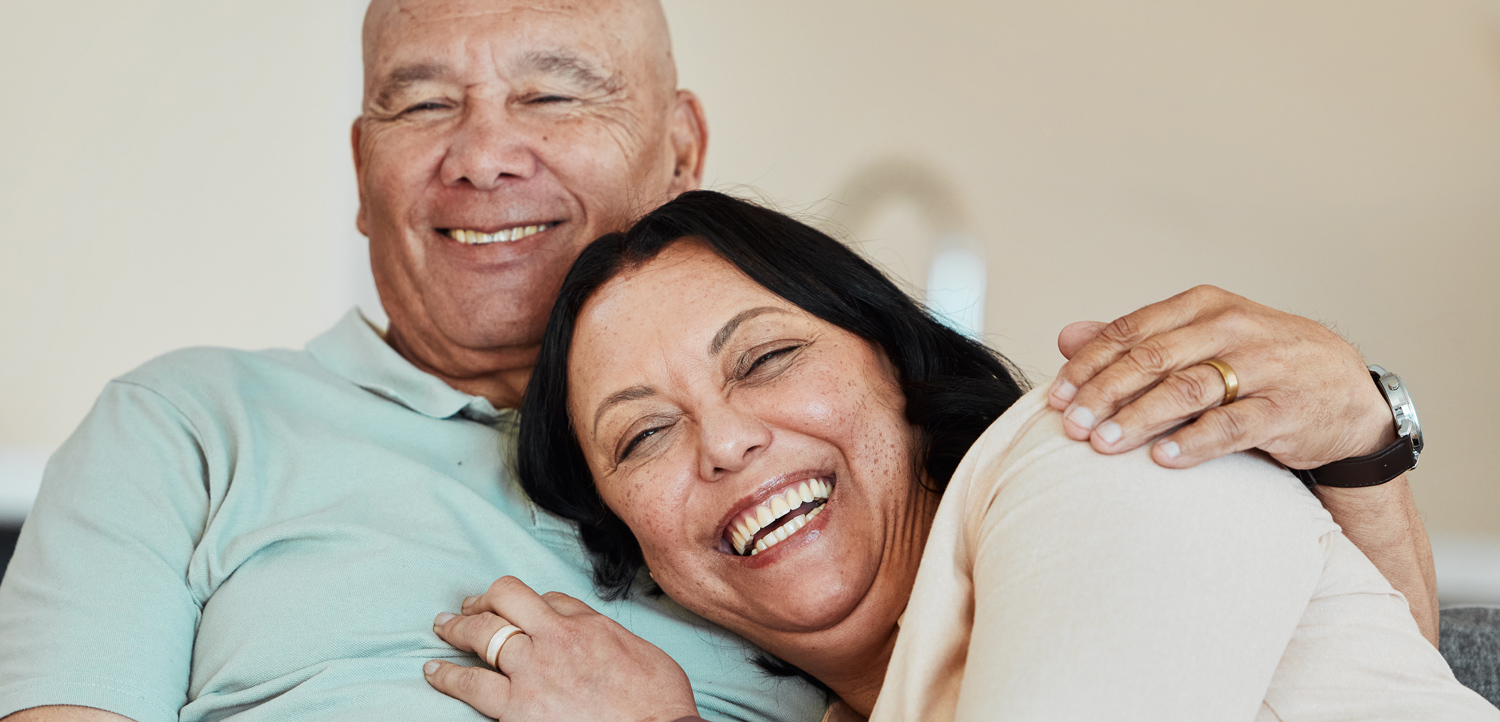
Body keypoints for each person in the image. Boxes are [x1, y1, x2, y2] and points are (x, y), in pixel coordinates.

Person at [0, 0, 1443, 719]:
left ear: (681, 150)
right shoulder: (188, 422)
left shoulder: (977, 497)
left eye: (554, 92)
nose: (482, 151)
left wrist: (1366, 445)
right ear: (362, 166)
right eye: (419, 102)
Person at [426, 191, 1496, 721]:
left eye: (766, 357)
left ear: (895, 361)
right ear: (640, 551)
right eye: (645, 433)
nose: (728, 438)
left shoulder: (1089, 457)